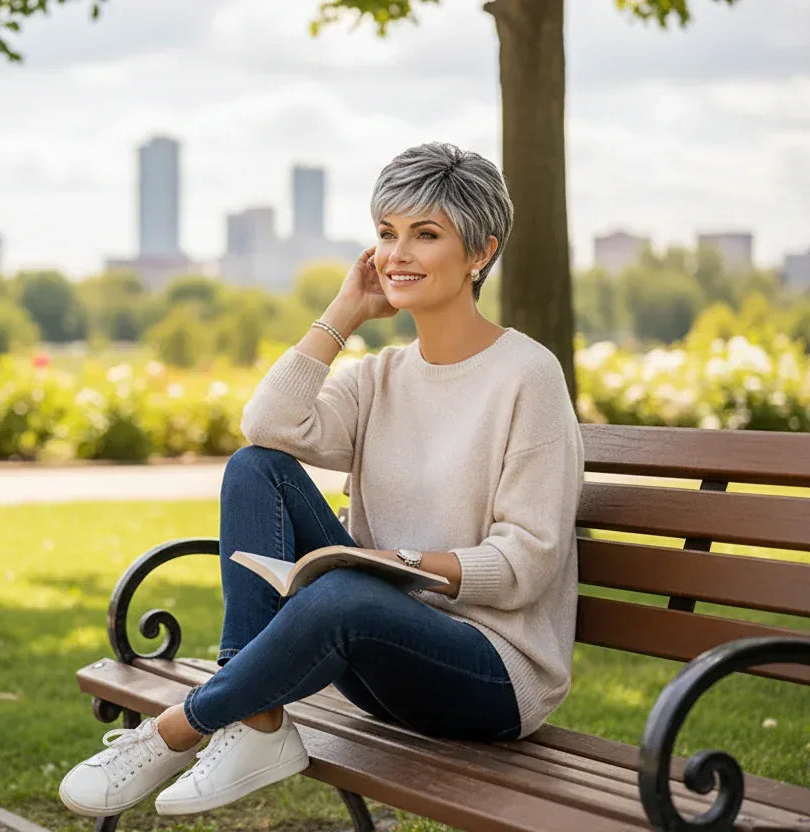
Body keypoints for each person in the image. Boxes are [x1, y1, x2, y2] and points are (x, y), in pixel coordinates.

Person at [58, 141, 585, 819]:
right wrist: (341, 316)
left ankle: (179, 728)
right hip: (376, 649)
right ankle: (258, 723)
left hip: (492, 675)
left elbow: (527, 563)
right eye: (387, 233)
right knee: (257, 470)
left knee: (343, 593)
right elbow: (269, 426)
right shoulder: (380, 376)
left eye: (426, 235)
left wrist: (391, 565)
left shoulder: (528, 377)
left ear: (480, 253)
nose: (397, 254)